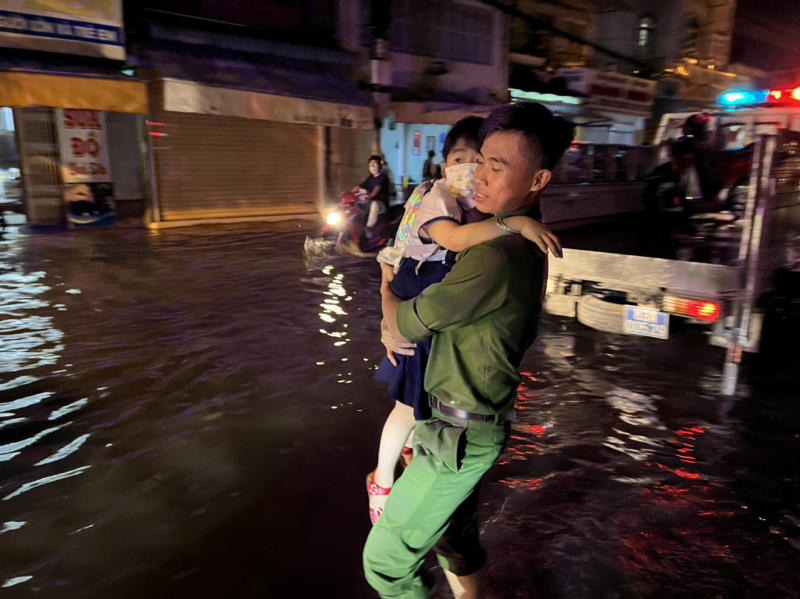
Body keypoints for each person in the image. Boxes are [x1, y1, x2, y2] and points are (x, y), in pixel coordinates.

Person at [363, 102, 574, 598]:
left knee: (386, 564)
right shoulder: (512, 235)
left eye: (496, 167)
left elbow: (407, 324)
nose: (477, 175)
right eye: (480, 159)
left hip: (456, 438)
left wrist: (385, 293)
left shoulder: (494, 257)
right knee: (453, 538)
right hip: (462, 427)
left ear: (538, 179)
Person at [352, 155, 391, 234]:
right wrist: (349, 193)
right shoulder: (370, 178)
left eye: (374, 163)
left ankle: (369, 227)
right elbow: (359, 186)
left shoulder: (383, 177)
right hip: (370, 203)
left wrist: (369, 196)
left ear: (379, 165)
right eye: (370, 164)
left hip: (381, 205)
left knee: (374, 203)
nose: (372, 166)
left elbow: (377, 188)